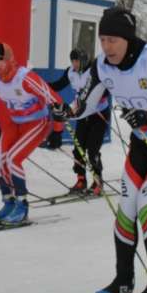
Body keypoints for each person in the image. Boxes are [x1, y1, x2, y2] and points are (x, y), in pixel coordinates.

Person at [64, 7, 147, 293]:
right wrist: (66, 112)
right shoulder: (102, 67)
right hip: (142, 143)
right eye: (103, 39)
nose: (107, 46)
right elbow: (84, 104)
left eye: (113, 40)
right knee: (125, 210)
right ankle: (123, 281)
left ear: (127, 38)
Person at [0, 42, 62, 224]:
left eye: (0, 60)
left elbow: (56, 100)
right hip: (16, 122)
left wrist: (57, 131)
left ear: (9, 60)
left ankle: (22, 205)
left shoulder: (25, 78)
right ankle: (8, 201)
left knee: (13, 159)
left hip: (37, 122)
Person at [47, 48, 109, 195]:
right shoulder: (71, 72)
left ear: (84, 60)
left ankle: (97, 181)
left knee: (92, 150)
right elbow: (58, 85)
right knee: (78, 149)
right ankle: (81, 180)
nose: (74, 64)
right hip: (81, 115)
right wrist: (41, 85)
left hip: (98, 114)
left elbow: (106, 89)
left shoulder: (94, 71)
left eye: (77, 61)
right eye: (72, 61)